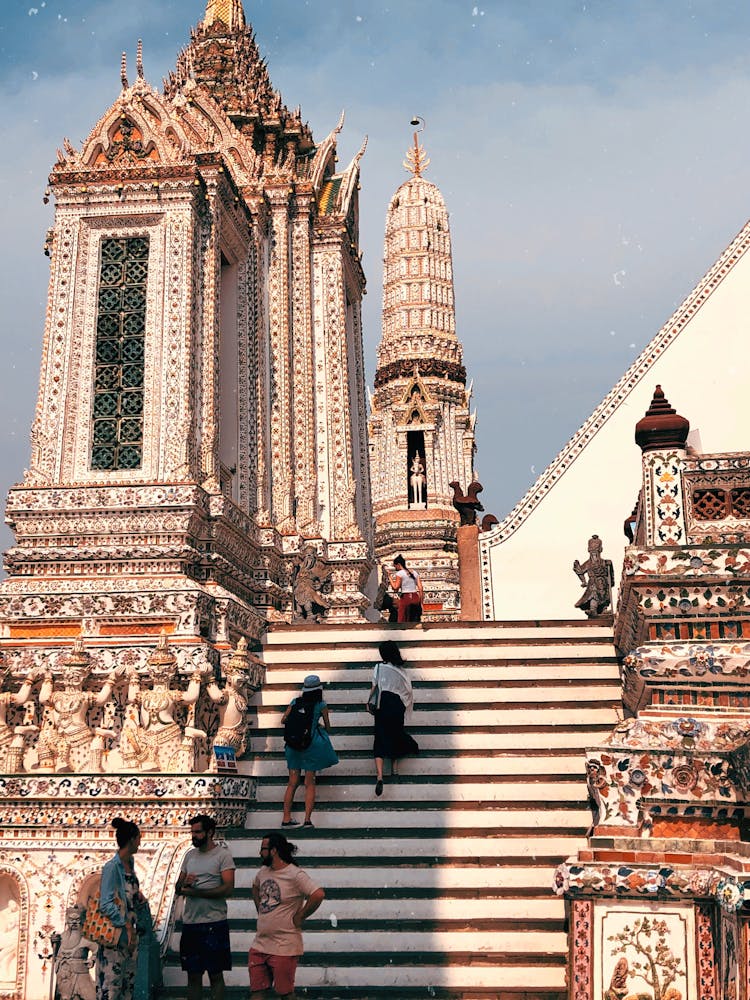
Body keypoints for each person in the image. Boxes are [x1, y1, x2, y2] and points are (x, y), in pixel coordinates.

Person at [249, 832, 324, 1000]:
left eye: (263, 849)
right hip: (260, 943)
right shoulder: (263, 872)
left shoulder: (294, 874)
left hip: (284, 945)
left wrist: (301, 916)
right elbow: (255, 887)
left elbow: (318, 894)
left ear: (274, 851)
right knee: (257, 993)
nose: (260, 853)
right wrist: (260, 908)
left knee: (285, 993)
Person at [176, 814, 236, 1000]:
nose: (194, 836)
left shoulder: (222, 856)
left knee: (215, 974)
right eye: (192, 832)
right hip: (191, 923)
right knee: (193, 975)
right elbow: (178, 888)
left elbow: (228, 888)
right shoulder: (190, 856)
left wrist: (198, 892)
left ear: (209, 832)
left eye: (198, 832)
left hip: (214, 923)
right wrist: (185, 883)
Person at [281, 675, 338, 828]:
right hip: (309, 746)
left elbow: (283, 720)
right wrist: (316, 724)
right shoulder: (321, 705)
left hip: (293, 746)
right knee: (309, 783)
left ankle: (286, 818)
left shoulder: (295, 702)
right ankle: (307, 820)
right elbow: (328, 727)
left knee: (292, 783)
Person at [96, 817, 144, 1000]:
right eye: (138, 838)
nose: (140, 842)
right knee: (112, 986)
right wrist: (125, 924)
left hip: (130, 936)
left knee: (128, 985)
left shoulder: (129, 865)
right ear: (131, 839)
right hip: (115, 936)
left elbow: (126, 894)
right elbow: (106, 903)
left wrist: (137, 895)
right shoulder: (112, 867)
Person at [368, 640, 419, 796]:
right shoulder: (401, 671)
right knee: (396, 733)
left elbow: (374, 687)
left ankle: (379, 776)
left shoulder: (378, 668)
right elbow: (408, 691)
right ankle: (395, 769)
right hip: (396, 705)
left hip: (382, 704)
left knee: (380, 737)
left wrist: (368, 702)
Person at [388, 554, 423, 623]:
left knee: (402, 621)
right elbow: (421, 588)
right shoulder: (414, 572)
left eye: (395, 566)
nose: (395, 568)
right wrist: (421, 602)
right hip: (415, 597)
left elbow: (395, 588)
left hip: (405, 598)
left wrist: (389, 577)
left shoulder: (400, 573)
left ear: (398, 564)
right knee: (414, 621)